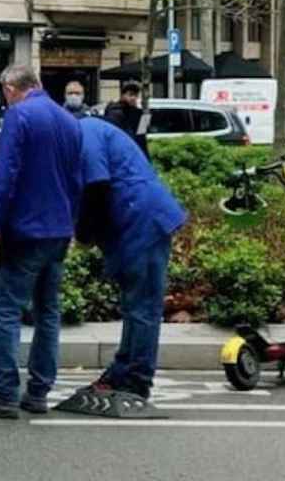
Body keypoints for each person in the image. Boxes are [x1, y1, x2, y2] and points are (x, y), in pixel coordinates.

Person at [0, 64, 82, 420]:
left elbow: (4, 175)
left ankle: (4, 394)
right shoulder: (68, 121)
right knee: (48, 312)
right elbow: (76, 180)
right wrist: (70, 223)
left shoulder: (19, 117)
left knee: (7, 311)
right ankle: (39, 392)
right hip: (58, 229)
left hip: (25, 230)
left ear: (10, 88)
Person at [73, 116, 186, 402]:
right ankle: (122, 371)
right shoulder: (85, 133)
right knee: (134, 304)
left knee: (143, 306)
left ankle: (136, 380)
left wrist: (83, 232)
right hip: (133, 220)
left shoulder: (84, 132)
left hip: (141, 219)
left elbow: (96, 187)